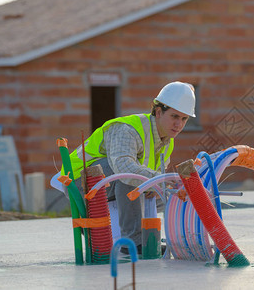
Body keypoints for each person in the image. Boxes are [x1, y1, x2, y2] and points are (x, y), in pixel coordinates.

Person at [65, 81, 196, 253]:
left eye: (184, 119)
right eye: (174, 116)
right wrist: (165, 182)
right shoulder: (128, 129)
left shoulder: (167, 142)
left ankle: (150, 239)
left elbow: (152, 184)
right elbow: (124, 168)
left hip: (110, 188)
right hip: (81, 184)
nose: (179, 124)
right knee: (130, 175)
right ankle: (133, 242)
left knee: (162, 192)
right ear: (158, 112)